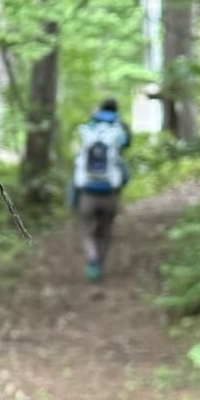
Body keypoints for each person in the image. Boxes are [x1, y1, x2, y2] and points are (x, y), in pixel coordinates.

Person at [68, 97, 131, 282]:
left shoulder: (89, 128)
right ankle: (99, 265)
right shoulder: (118, 129)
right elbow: (126, 144)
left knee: (87, 230)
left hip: (87, 191)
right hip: (110, 192)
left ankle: (92, 259)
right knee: (106, 230)